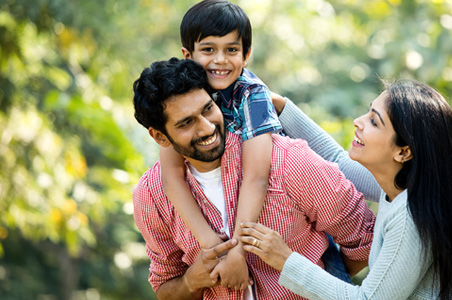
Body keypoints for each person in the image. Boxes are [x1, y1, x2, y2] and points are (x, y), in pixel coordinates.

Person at [239, 79, 452, 299]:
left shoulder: (412, 217)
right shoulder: (406, 185)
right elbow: (337, 160)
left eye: (374, 121)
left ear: (404, 152)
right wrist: (282, 106)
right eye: (368, 112)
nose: (358, 121)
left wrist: (285, 260)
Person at [131, 57, 375, 299]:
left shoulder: (289, 162)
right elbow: (166, 289)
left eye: (207, 109)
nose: (207, 128)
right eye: (186, 122)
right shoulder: (152, 196)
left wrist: (308, 282)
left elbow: (365, 242)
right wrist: (191, 281)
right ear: (160, 137)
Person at [159, 0, 282, 291]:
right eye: (208, 49)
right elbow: (172, 177)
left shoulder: (252, 94)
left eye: (231, 50)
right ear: (188, 55)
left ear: (246, 54)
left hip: (281, 215)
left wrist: (237, 250)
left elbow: (255, 177)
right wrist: (217, 249)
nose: (220, 60)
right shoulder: (179, 94)